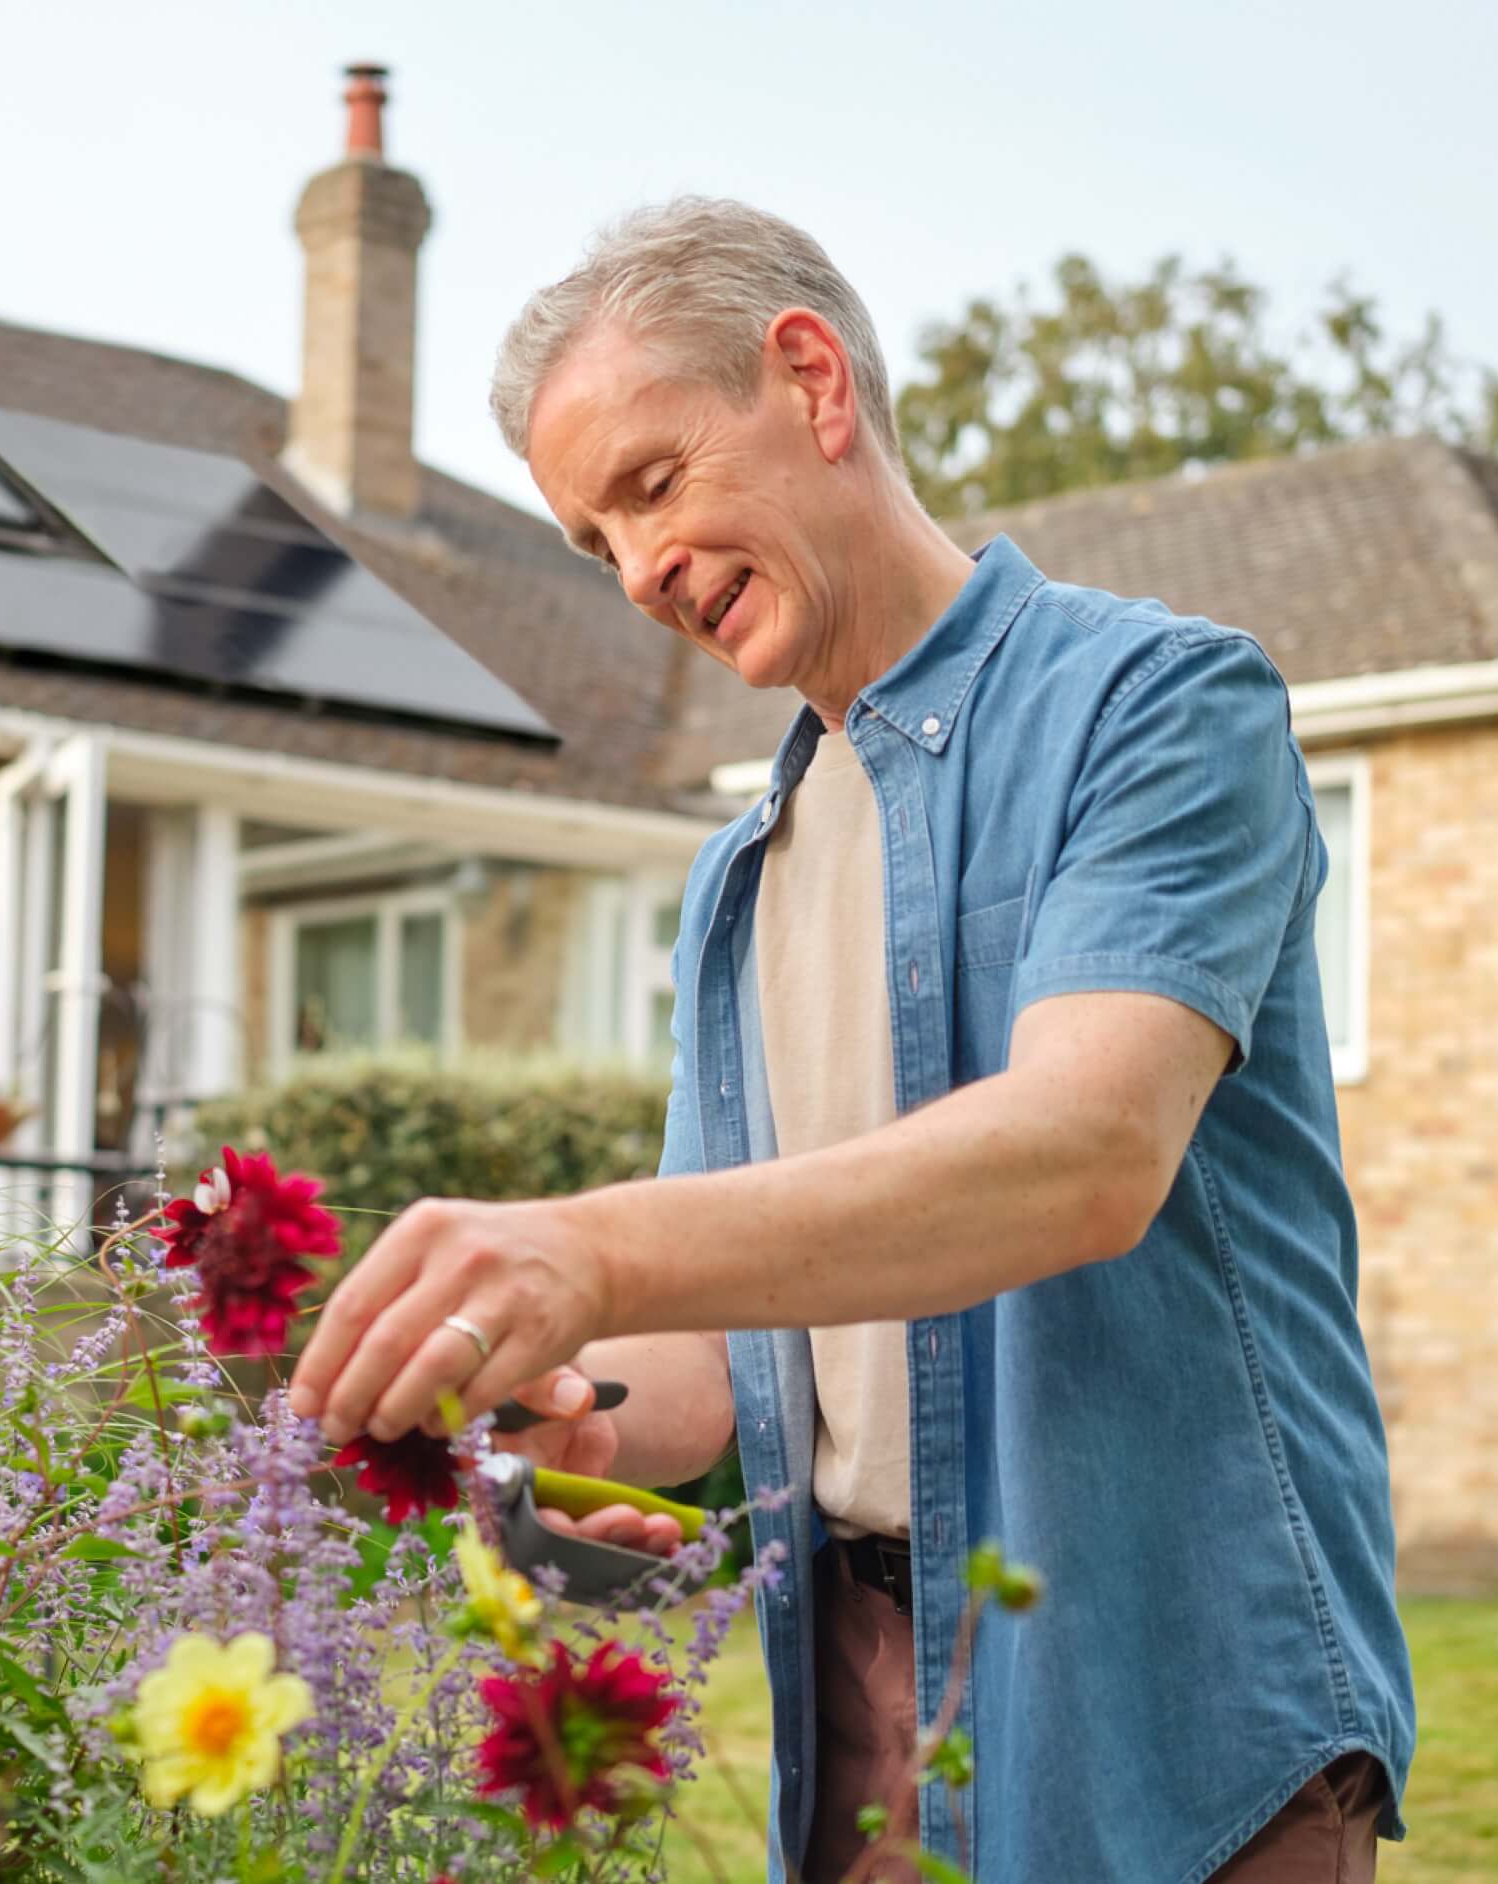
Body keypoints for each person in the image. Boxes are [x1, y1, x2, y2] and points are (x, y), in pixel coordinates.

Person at [286, 198, 1413, 1882]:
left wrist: (582, 1249)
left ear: (811, 381)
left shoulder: (1162, 711)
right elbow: (730, 1343)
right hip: (865, 1699)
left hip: (1166, 1698)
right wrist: (582, 1408)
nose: (641, 574)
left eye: (653, 486)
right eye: (599, 543)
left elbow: (1081, 1156)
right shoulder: (742, 880)